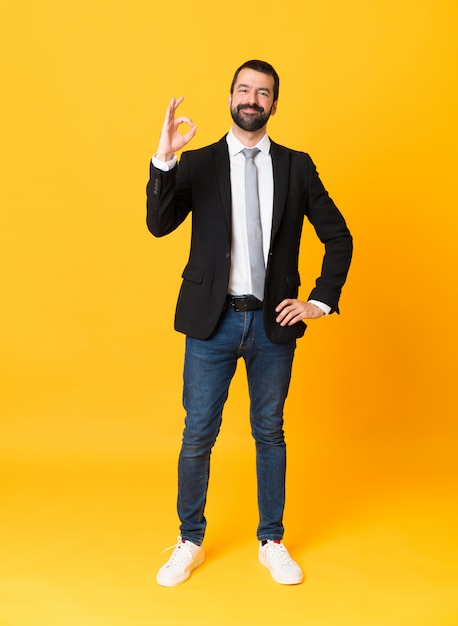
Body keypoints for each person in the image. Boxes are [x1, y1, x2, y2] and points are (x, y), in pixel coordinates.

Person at [146, 60, 352, 587]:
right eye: (244, 89)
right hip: (211, 324)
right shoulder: (200, 163)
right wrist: (166, 157)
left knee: (269, 432)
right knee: (198, 434)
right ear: (231, 96)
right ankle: (189, 539)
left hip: (272, 325)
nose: (252, 98)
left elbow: (339, 236)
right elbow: (158, 224)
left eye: (264, 92)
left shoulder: (297, 166)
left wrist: (318, 302)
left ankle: (272, 540)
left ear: (274, 104)